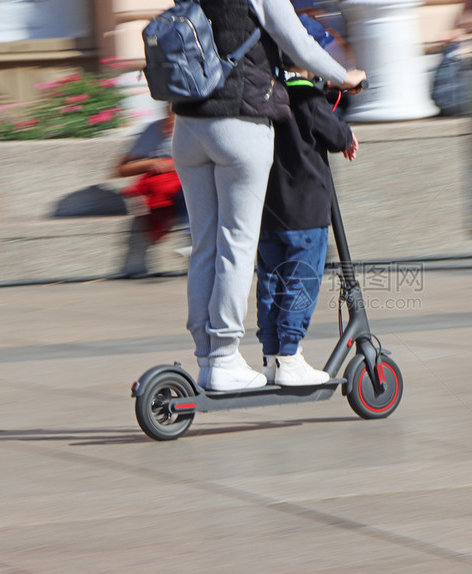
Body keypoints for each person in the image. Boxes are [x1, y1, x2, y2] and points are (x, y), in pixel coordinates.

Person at [170, 0, 366, 392]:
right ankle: (227, 357)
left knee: (205, 245)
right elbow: (299, 44)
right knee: (238, 244)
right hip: (237, 121)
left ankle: (208, 358)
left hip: (188, 127)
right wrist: (343, 76)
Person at [256, 42, 359, 387]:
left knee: (271, 282)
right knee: (301, 281)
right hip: (307, 215)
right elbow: (335, 134)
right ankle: (290, 355)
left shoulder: (270, 94)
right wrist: (346, 136)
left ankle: (271, 356)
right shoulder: (307, 97)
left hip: (269, 213)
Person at [117, 107, 189, 277]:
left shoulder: (194, 130)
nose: (170, 125)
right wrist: (151, 164)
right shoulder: (152, 131)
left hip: (188, 181)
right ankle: (192, 238)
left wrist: (178, 165)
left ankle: (193, 238)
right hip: (162, 184)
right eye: (169, 116)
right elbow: (121, 169)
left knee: (186, 188)